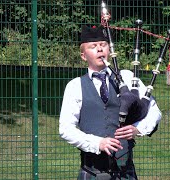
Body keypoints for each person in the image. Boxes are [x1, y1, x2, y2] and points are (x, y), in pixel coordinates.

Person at [59, 25, 162, 180]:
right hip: (92, 173)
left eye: (103, 45)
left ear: (110, 50)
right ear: (83, 55)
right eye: (93, 46)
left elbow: (154, 111)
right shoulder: (74, 86)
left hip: (125, 173)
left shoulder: (127, 78)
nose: (100, 49)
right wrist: (97, 143)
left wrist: (138, 129)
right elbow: (66, 129)